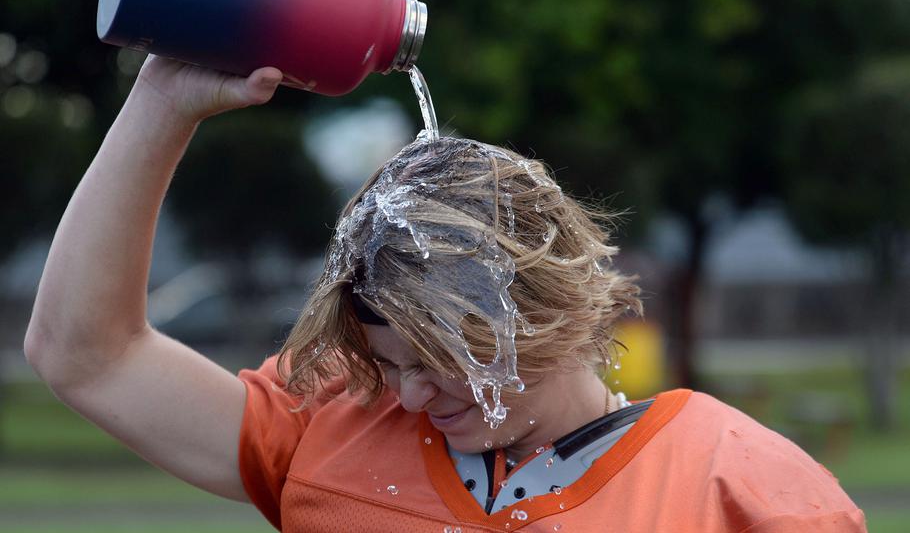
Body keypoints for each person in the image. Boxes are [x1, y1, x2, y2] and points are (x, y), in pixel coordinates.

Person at [24, 55, 866, 532]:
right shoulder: (333, 421)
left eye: (443, 359)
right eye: (390, 363)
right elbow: (86, 353)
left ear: (549, 307)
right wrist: (163, 99)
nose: (412, 396)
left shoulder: (735, 485)